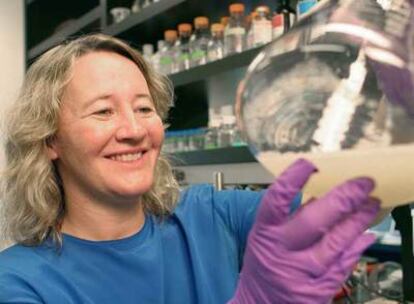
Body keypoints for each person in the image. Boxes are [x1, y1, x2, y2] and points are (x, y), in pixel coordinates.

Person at [0, 34, 380, 303]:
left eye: (144, 108)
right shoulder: (19, 282)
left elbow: (356, 197)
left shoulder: (210, 216)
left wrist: (387, 110)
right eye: (103, 111)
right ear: (50, 139)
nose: (134, 130)